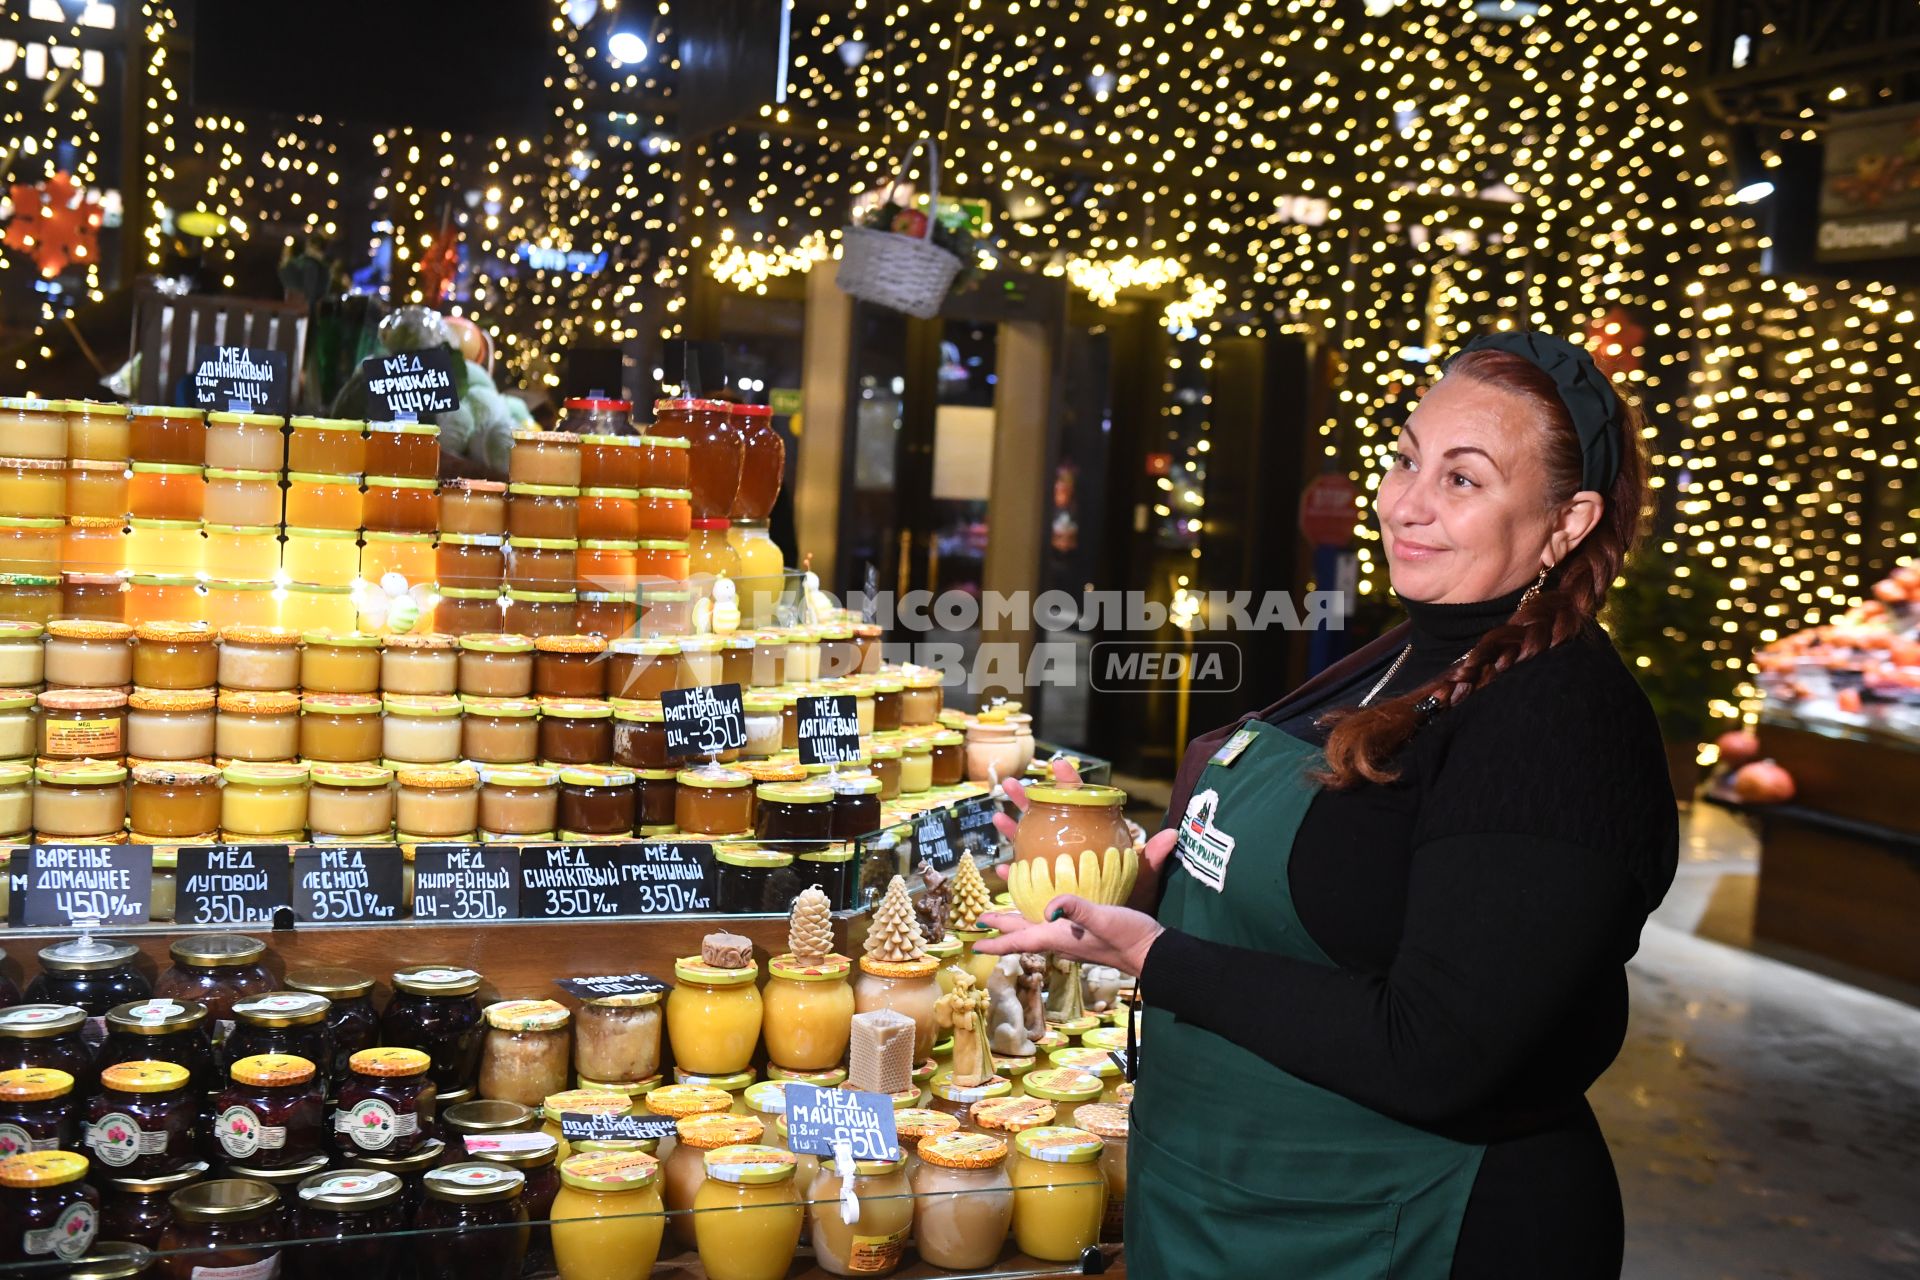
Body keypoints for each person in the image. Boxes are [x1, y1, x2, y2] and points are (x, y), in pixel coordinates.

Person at [978, 331, 1679, 1279]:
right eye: (1404, 458)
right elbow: (1341, 908)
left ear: (1567, 521)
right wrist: (1124, 885)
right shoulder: (1400, 656)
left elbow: (1436, 1049)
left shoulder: (1560, 721)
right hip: (1234, 1209)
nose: (1404, 503)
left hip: (1396, 1229)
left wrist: (1160, 956)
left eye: (1462, 479)